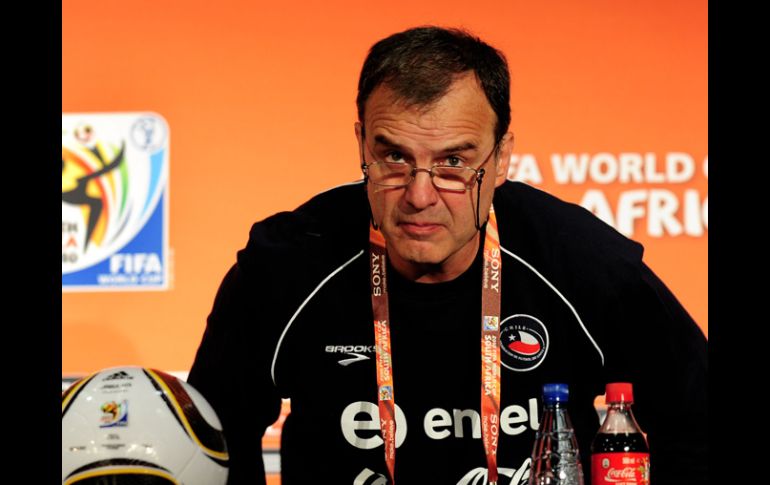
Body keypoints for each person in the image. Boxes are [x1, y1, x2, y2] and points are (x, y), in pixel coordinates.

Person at [188, 26, 708, 485]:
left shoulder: (583, 262)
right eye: (393, 157)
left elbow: (697, 421)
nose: (419, 194)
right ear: (361, 145)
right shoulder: (284, 266)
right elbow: (211, 446)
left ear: (502, 158)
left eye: (453, 162)